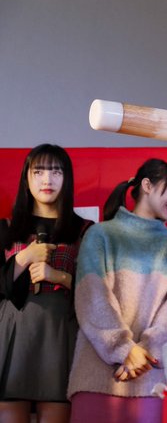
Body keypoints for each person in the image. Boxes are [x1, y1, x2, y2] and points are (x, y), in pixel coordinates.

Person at [68, 159, 167, 423]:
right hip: (95, 377)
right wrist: (124, 349)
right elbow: (91, 296)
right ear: (147, 185)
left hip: (150, 379)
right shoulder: (100, 234)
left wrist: (143, 352)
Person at [0, 144, 92, 423]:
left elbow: (96, 290)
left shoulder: (84, 229)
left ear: (67, 178)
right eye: (38, 171)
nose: (47, 180)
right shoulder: (6, 227)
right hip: (12, 332)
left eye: (56, 171)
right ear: (26, 178)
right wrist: (25, 257)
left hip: (60, 333)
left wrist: (59, 277)